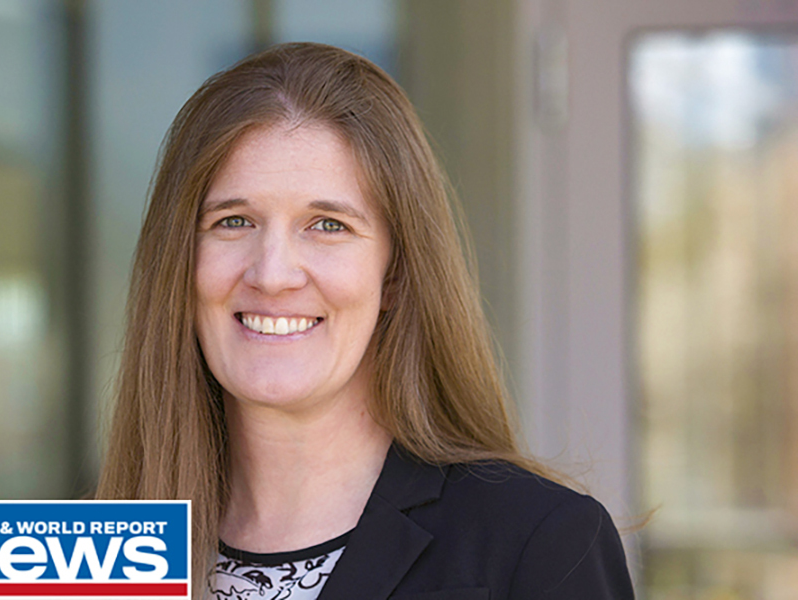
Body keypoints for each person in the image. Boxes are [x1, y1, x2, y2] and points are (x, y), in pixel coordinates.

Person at [97, 42, 634, 599]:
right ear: (178, 263)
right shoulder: (81, 560)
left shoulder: (538, 545)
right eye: (233, 221)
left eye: (327, 225)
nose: (273, 273)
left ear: (396, 274)